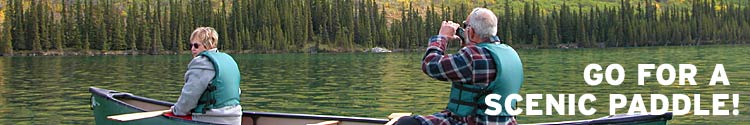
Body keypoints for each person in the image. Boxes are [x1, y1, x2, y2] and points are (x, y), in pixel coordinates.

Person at [395, 8, 524, 125]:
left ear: (471, 32)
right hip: (506, 122)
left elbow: (430, 64)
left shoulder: (472, 58)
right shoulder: (511, 53)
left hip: (471, 122)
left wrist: (442, 37)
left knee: (405, 123)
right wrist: (467, 43)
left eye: (465, 26)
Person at [167, 27, 242, 125]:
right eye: (191, 45)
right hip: (235, 117)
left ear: (208, 45)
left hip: (210, 118)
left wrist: (177, 110)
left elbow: (189, 96)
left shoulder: (201, 62)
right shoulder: (229, 60)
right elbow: (237, 91)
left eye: (196, 45)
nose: (192, 49)